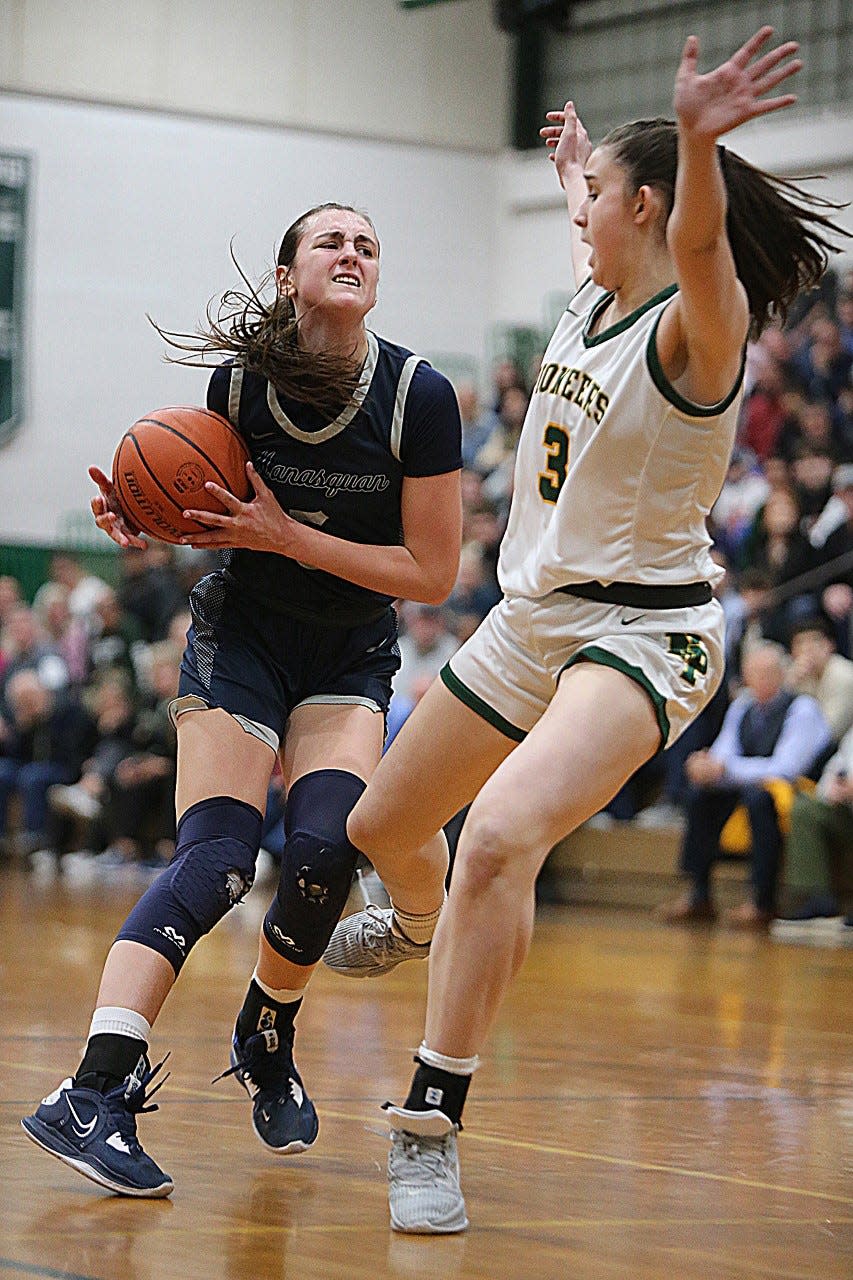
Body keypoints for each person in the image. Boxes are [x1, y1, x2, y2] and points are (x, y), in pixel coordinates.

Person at [321, 28, 849, 1233]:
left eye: (597, 198)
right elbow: (616, 211)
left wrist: (701, 139)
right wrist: (574, 164)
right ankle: (413, 913)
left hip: (647, 630)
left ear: (648, 207)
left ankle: (429, 1119)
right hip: (530, 619)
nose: (578, 214)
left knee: (502, 834)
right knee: (383, 826)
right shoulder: (595, 286)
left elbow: (699, 238)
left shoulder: (692, 331)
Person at [21, 202, 462, 1196]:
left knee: (320, 851)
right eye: (329, 239)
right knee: (218, 861)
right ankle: (89, 1090)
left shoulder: (416, 396)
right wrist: (148, 513)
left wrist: (288, 535)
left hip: (349, 648)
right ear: (285, 276)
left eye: (368, 242)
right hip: (244, 638)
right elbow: (210, 512)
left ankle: (267, 1030)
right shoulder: (238, 385)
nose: (352, 250)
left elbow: (433, 572)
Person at [657, 640, 832, 928]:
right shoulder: (743, 706)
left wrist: (725, 768)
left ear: (781, 675)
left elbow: (785, 769)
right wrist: (707, 765)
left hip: (797, 793)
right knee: (701, 796)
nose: (758, 681)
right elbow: (725, 751)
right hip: (749, 784)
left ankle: (762, 901)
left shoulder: (803, 709)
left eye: (766, 674)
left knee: (758, 799)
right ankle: (699, 893)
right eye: (753, 674)